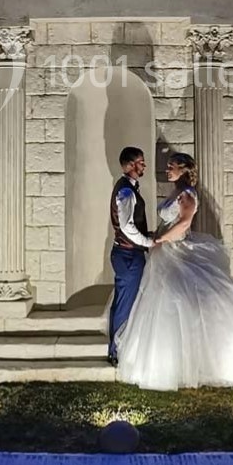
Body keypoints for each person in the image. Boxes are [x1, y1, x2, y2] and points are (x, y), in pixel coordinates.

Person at [116, 152, 233, 391]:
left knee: (176, 301)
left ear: (184, 169)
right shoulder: (176, 192)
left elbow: (184, 222)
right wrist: (155, 236)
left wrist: (160, 240)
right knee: (159, 303)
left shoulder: (188, 194)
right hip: (165, 251)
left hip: (176, 250)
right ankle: (162, 361)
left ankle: (188, 361)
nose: (167, 170)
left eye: (171, 167)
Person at [107, 146, 157, 366]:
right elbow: (127, 226)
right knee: (125, 303)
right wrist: (148, 242)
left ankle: (120, 347)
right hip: (128, 254)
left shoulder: (129, 188)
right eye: (140, 162)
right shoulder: (126, 191)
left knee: (124, 302)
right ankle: (116, 351)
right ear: (129, 165)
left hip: (127, 253)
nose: (143, 165)